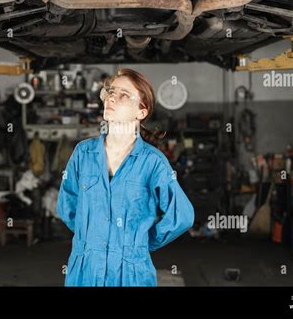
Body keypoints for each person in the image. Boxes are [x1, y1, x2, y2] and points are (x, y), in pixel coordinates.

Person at [57, 67, 194, 286]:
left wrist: (140, 243)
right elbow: (67, 206)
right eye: (110, 91)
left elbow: (182, 216)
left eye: (123, 95)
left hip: (131, 274)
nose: (111, 97)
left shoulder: (153, 162)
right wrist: (93, 238)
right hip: (85, 270)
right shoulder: (83, 153)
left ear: (141, 111)